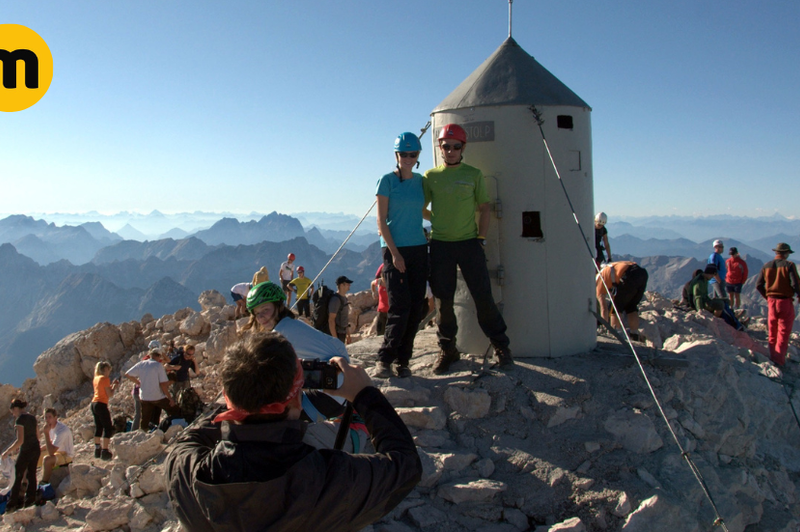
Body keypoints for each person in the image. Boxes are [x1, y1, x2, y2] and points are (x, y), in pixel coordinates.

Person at [165, 332, 422, 532]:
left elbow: (190, 438)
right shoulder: (330, 479)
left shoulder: (187, 474)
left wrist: (242, 393)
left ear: (228, 396)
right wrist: (365, 394)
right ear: (296, 401)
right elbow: (406, 464)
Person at [423, 123, 512, 373]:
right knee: (444, 301)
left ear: (463, 147)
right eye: (446, 146)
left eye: (455, 146)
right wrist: (437, 220)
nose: (450, 151)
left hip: (469, 244)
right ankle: (448, 349)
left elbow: (484, 208)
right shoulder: (431, 177)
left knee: (483, 297)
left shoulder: (473, 175)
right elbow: (420, 206)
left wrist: (480, 238)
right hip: (440, 245)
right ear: (440, 147)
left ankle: (501, 347)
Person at [241, 281, 350, 422]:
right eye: (257, 313)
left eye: (265, 309)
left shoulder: (279, 334)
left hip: (328, 399)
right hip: (339, 392)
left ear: (278, 306)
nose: (261, 317)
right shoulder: (293, 324)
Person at [374, 132, 430, 378]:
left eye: (413, 154)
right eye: (404, 153)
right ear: (396, 155)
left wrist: (444, 221)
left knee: (417, 307)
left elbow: (421, 211)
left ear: (418, 156)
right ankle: (385, 360)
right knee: (399, 307)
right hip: (395, 250)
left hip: (419, 248)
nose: (408, 158)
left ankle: (403, 361)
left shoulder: (420, 181)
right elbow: (381, 221)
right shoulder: (386, 181)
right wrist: (394, 254)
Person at [756, 243, 800, 366]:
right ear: (785, 253)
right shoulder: (789, 265)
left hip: (771, 302)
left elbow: (758, 285)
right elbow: (795, 283)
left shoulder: (766, 266)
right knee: (783, 331)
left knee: (772, 330)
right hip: (785, 301)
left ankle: (772, 356)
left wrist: (767, 297)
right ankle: (779, 360)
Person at [125, 351, 179, 431]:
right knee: (174, 409)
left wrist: (138, 382)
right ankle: (175, 426)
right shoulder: (158, 365)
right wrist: (170, 398)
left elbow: (127, 374)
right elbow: (163, 384)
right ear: (159, 356)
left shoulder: (141, 364)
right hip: (157, 396)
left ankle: (143, 433)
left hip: (144, 397)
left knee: (145, 418)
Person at [2, 399, 40, 511]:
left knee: (17, 475)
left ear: (16, 408)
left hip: (26, 450)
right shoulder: (32, 418)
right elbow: (38, 435)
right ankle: (30, 500)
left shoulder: (20, 419)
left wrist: (7, 452)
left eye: (12, 412)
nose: (13, 415)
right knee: (32, 474)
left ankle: (12, 504)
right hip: (36, 448)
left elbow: (20, 440)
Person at [596, 261, 649, 340]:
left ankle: (616, 334)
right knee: (631, 306)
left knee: (614, 308)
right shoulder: (606, 270)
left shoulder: (598, 283)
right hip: (642, 273)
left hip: (629, 275)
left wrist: (604, 326)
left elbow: (604, 308)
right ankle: (634, 334)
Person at [91, 361, 120, 459]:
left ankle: (97, 449)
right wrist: (115, 387)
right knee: (108, 428)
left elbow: (104, 390)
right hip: (101, 404)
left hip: (94, 403)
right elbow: (110, 394)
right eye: (108, 370)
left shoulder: (96, 378)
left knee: (99, 427)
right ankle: (105, 451)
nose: (109, 372)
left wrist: (111, 385)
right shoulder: (104, 378)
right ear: (105, 369)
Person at [38, 408, 74, 484]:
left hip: (66, 455)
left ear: (55, 418)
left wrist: (46, 434)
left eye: (50, 417)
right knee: (34, 456)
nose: (47, 420)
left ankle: (44, 482)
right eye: (46, 417)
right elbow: (51, 443)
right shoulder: (51, 427)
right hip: (57, 451)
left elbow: (51, 452)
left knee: (47, 459)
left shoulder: (61, 430)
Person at [370, 264, 389, 337]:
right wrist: (373, 292)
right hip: (380, 310)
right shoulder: (379, 282)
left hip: (390, 311)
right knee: (379, 331)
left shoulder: (391, 283)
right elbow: (372, 283)